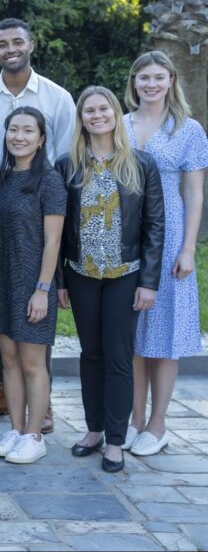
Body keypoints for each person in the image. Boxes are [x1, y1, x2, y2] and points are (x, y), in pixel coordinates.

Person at [0, 18, 75, 431]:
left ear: (31, 45)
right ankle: (2, 393)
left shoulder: (58, 98)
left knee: (32, 317)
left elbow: (65, 159)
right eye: (1, 44)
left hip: (41, 210)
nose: (10, 48)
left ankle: (39, 405)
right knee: (1, 313)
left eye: (17, 41)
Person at [56, 86, 164, 472]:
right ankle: (94, 429)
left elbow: (154, 226)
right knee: (91, 354)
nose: (97, 115)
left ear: (116, 114)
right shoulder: (68, 165)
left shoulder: (140, 164)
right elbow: (57, 228)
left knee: (119, 356)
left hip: (126, 275)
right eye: (89, 110)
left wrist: (149, 281)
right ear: (81, 118)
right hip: (81, 273)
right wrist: (60, 281)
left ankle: (116, 439)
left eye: (103, 109)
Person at [122, 51, 208, 456]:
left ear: (172, 80)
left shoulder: (188, 130)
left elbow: (193, 192)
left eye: (158, 77)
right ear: (134, 82)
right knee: (134, 335)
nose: (150, 84)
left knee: (166, 333)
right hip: (125, 234)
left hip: (171, 234)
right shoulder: (120, 124)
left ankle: (158, 424)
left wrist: (189, 248)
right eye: (143, 78)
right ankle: (135, 418)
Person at [0, 108, 66, 464]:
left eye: (28, 131)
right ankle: (15, 429)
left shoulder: (50, 181)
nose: (19, 137)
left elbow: (53, 241)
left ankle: (34, 435)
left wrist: (43, 289)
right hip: (0, 277)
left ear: (41, 139)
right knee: (9, 360)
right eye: (14, 129)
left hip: (33, 282)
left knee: (32, 362)